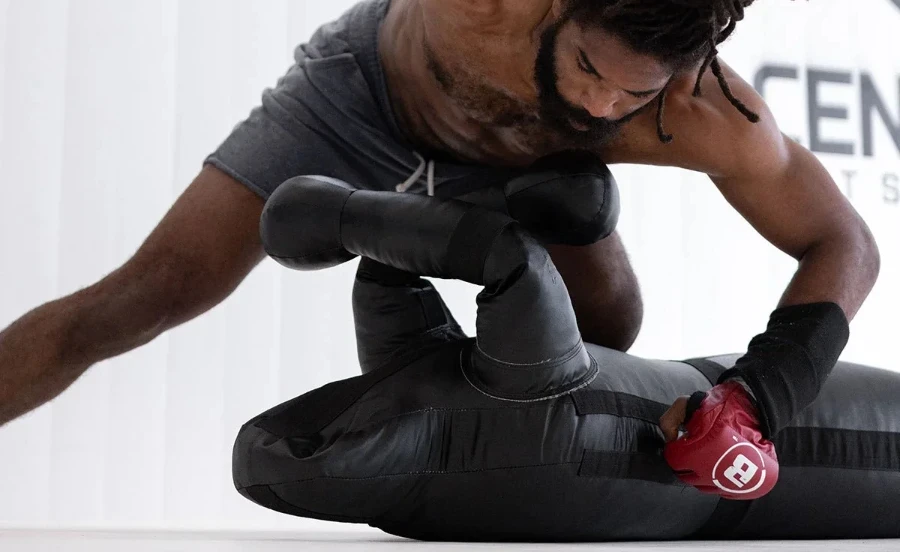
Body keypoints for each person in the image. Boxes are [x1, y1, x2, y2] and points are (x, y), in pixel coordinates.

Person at [0, 0, 879, 437]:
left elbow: (846, 245)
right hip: (363, 97)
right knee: (143, 298)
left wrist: (760, 397)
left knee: (607, 329)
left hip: (528, 180)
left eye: (632, 96)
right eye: (586, 68)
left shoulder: (706, 117)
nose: (600, 104)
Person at [232, 165, 900, 542]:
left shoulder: (417, 500)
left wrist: (373, 217)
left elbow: (389, 279)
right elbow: (507, 259)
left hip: (693, 461)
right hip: (778, 447)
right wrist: (347, 216)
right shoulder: (523, 397)